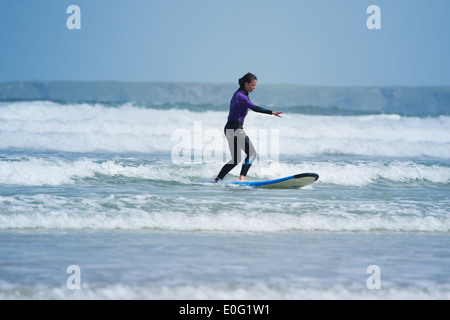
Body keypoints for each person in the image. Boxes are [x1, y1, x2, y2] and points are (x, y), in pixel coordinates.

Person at [214, 73, 283, 182]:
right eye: (253, 85)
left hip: (229, 128)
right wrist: (272, 112)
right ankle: (242, 178)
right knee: (252, 153)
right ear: (246, 84)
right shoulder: (241, 97)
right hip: (235, 128)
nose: (254, 87)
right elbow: (254, 108)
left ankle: (217, 180)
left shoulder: (238, 94)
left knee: (235, 159)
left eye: (255, 85)